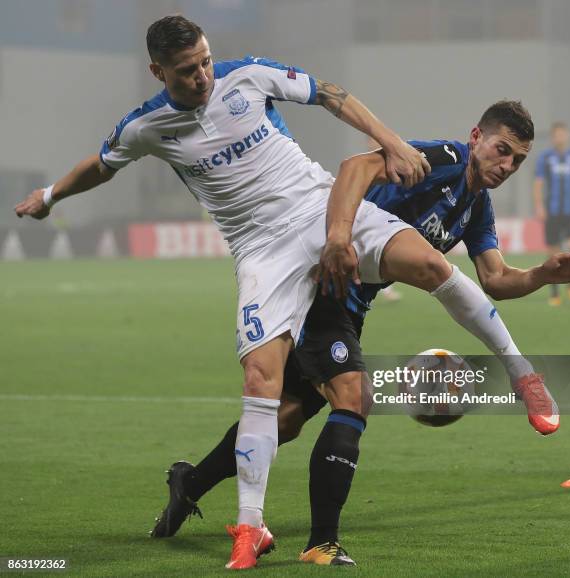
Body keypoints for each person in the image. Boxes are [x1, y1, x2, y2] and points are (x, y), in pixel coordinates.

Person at [13, 14, 431, 571]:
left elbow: (332, 95)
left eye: (206, 61)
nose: (203, 77)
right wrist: (51, 194)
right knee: (285, 387)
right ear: (157, 71)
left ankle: (519, 371)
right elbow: (103, 164)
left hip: (314, 223)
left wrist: (391, 139)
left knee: (294, 411)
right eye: (187, 71)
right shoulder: (147, 125)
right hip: (262, 257)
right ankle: (266, 530)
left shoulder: (249, 77)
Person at [150, 101, 570, 565]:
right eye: (502, 150)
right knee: (354, 395)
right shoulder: (441, 160)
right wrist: (340, 238)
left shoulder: (476, 208)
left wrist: (544, 275)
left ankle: (191, 482)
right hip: (319, 284)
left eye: (518, 160)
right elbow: (356, 168)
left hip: (350, 304)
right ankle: (321, 542)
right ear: (475, 138)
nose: (506, 166)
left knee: (286, 417)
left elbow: (495, 280)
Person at [533, 122, 570, 306]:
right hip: (552, 212)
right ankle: (554, 292)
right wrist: (539, 206)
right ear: (552, 137)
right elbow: (538, 183)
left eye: (562, 134)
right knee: (554, 252)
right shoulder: (545, 158)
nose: (559, 137)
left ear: (567, 136)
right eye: (556, 135)